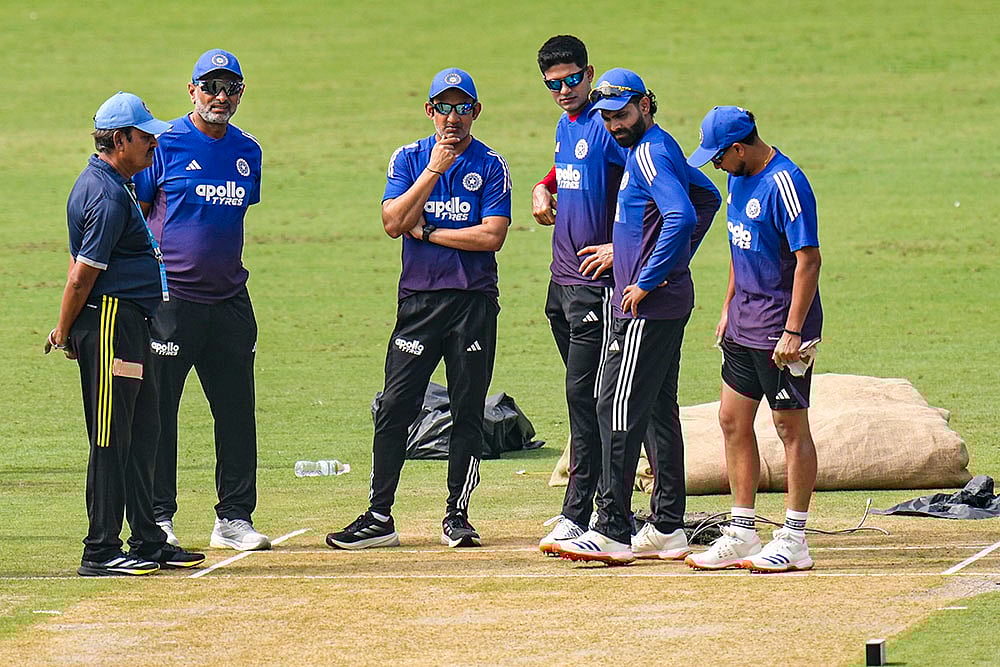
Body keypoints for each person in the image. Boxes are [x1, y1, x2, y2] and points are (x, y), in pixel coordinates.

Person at [532, 38, 721, 558]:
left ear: (645, 104)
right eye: (608, 116)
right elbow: (706, 197)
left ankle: (611, 528)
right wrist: (668, 261)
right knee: (658, 408)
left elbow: (682, 215)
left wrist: (649, 273)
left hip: (641, 302)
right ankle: (666, 524)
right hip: (657, 296)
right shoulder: (645, 147)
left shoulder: (652, 151)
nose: (613, 124)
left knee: (612, 405)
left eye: (621, 114)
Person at [326, 67, 511, 550]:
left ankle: (457, 515)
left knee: (468, 408)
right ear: (430, 111)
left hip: (473, 302)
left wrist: (429, 232)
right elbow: (392, 221)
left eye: (462, 107)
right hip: (420, 301)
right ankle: (379, 515)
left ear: (476, 111)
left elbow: (491, 235)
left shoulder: (491, 164)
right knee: (395, 405)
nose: (453, 117)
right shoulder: (409, 158)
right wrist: (434, 170)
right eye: (444, 107)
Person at [47, 92, 205, 576]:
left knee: (143, 431)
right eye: (145, 136)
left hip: (129, 321)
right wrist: (64, 329)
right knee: (112, 436)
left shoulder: (115, 184)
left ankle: (147, 539)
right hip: (111, 320)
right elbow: (82, 272)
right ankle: (99, 549)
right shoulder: (107, 194)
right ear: (120, 140)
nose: (154, 143)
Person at [134, 49, 270, 552]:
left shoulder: (248, 150)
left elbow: (231, 218)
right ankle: (158, 517)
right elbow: (141, 212)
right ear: (191, 90)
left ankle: (233, 518)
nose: (220, 96)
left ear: (241, 91)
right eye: (210, 86)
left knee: (236, 410)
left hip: (230, 298)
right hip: (171, 300)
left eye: (230, 87)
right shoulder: (164, 143)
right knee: (159, 409)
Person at [684, 106, 822, 572]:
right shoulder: (736, 178)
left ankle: (795, 537)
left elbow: (808, 261)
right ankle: (743, 532)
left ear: (739, 148)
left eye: (718, 157)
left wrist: (793, 331)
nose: (715, 165)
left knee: (790, 429)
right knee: (730, 420)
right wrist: (727, 305)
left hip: (782, 330)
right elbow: (738, 244)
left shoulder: (787, 183)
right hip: (744, 322)